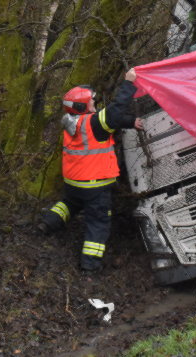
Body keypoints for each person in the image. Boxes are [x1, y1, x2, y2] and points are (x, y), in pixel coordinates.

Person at [39, 68, 143, 271]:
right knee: (98, 224)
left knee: (68, 205)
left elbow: (109, 122)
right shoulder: (94, 122)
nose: (94, 104)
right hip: (95, 186)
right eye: (91, 102)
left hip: (74, 183)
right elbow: (113, 113)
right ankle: (90, 265)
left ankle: (47, 224)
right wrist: (129, 83)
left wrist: (131, 122)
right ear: (82, 106)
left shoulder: (72, 121)